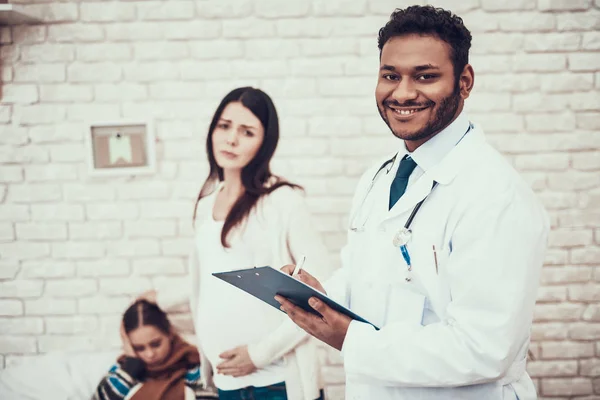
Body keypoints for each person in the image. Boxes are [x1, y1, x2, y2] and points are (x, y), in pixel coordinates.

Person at [275, 6, 549, 400]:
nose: (402, 93)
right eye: (390, 75)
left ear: (465, 81)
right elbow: (366, 277)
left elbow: (485, 350)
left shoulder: (497, 197)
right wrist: (320, 295)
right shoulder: (379, 176)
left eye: (425, 76)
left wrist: (350, 339)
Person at [142, 87, 330, 400]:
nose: (231, 139)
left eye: (247, 131)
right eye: (224, 126)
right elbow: (212, 280)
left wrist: (259, 354)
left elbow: (325, 291)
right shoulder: (205, 205)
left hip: (278, 382)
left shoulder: (282, 201)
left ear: (264, 142)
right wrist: (153, 299)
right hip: (226, 383)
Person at [92, 299, 215, 400]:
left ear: (170, 333)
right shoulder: (124, 372)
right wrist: (131, 366)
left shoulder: (195, 367)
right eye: (139, 348)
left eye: (156, 344)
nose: (150, 354)